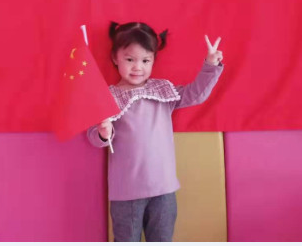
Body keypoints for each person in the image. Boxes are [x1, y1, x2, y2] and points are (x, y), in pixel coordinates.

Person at [87, 21, 224, 242]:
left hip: (163, 189)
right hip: (127, 192)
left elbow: (195, 94)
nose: (137, 67)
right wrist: (104, 132)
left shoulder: (162, 91)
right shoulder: (108, 97)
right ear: (115, 58)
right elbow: (94, 137)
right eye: (130, 59)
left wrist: (210, 65)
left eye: (145, 60)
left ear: (153, 60)